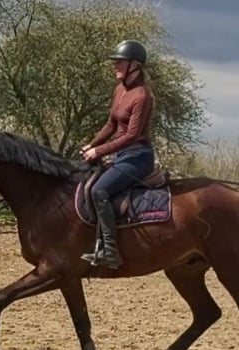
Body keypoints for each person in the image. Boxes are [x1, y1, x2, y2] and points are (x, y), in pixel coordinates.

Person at [80, 39, 156, 269]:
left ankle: (110, 251)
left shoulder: (142, 96)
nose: (115, 65)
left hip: (138, 156)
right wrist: (91, 144)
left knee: (100, 190)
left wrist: (99, 151)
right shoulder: (119, 90)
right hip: (121, 155)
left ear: (135, 65)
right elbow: (111, 125)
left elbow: (132, 135)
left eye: (120, 62)